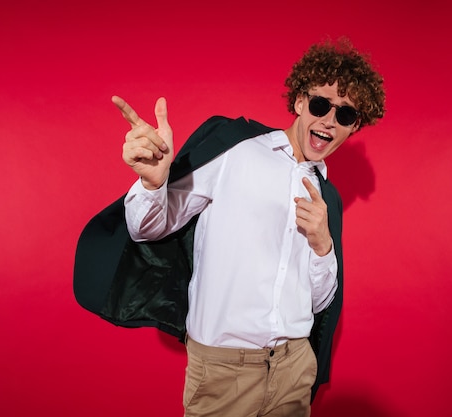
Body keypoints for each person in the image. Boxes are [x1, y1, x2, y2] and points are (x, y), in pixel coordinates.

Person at [112, 38, 384, 417]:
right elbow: (149, 229)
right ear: (300, 102)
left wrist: (324, 246)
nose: (328, 120)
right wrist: (154, 184)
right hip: (223, 373)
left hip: (294, 369)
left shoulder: (327, 199)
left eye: (345, 115)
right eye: (321, 105)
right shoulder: (235, 150)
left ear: (354, 127)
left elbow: (321, 304)